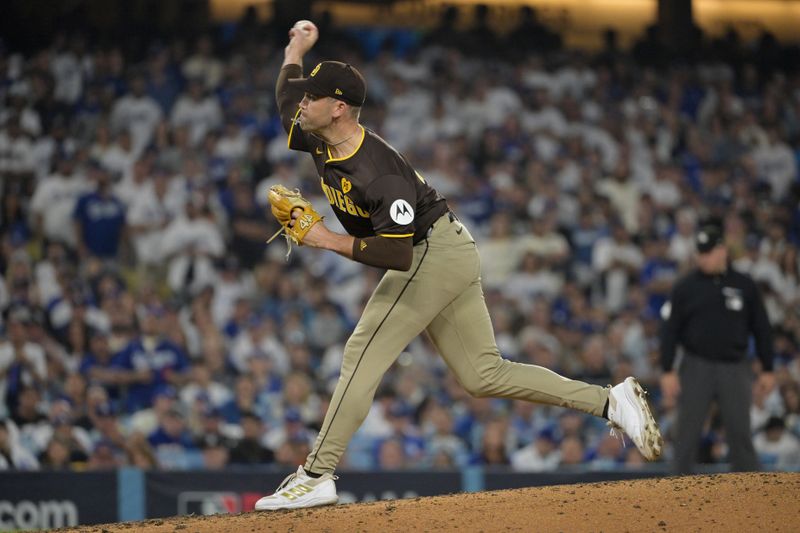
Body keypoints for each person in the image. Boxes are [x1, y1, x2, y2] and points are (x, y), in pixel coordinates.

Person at [254, 20, 663, 511]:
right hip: (447, 246)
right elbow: (283, 100)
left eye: (312, 97)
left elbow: (396, 254)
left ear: (339, 108)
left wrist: (323, 238)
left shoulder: (377, 171)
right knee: (482, 374)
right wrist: (294, 50)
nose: (302, 102)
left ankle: (317, 474)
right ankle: (610, 402)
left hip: (429, 252)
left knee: (362, 351)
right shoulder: (318, 134)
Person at [660, 224, 775, 474]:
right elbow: (670, 330)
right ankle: (675, 492)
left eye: (708, 252)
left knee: (739, 433)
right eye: (700, 253)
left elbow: (762, 328)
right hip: (695, 366)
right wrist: (667, 369)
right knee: (686, 433)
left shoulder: (745, 286)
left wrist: (768, 368)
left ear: (722, 250)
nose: (703, 258)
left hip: (734, 367)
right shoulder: (685, 287)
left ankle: (751, 492)